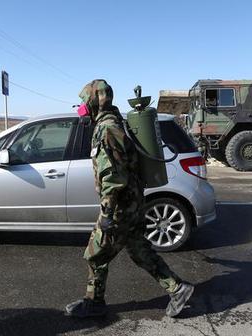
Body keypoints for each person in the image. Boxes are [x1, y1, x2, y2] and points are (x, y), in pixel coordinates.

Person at [65, 80, 194, 318]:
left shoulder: (106, 129)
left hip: (120, 205)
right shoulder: (116, 122)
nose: (82, 107)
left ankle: (94, 303)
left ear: (95, 100)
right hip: (133, 201)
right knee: (137, 248)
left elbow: (112, 177)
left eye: (85, 101)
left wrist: (106, 214)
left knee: (94, 254)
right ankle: (178, 289)